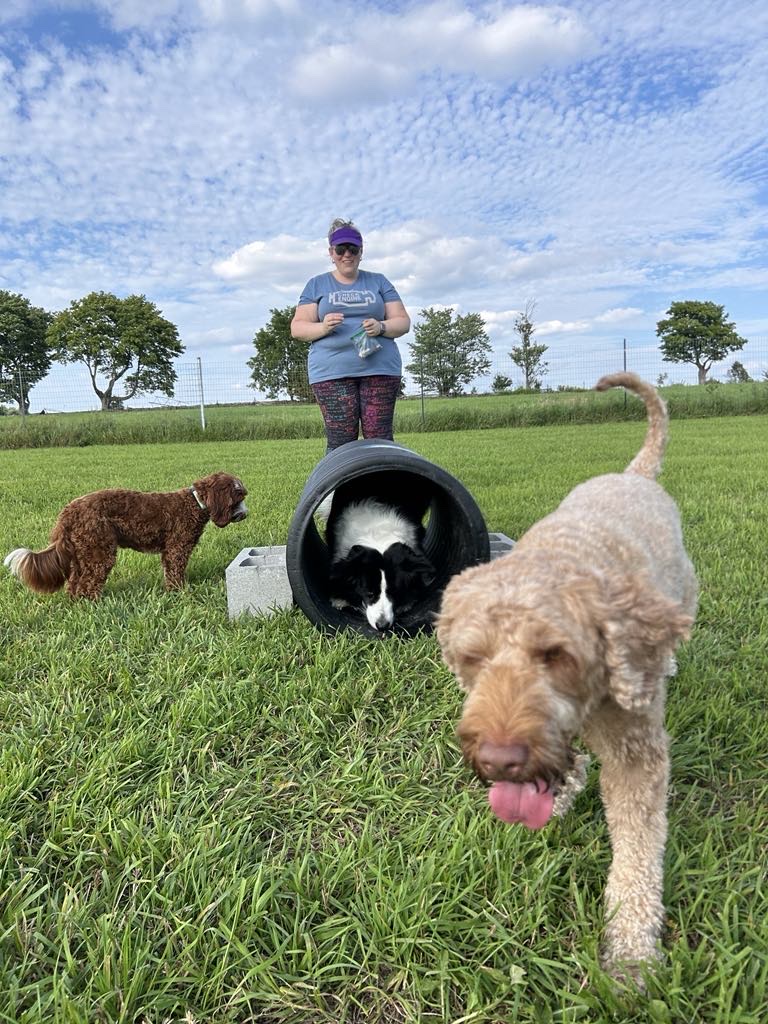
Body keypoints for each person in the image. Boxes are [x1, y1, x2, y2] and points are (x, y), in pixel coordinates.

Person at [291, 218, 411, 451]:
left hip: (381, 369)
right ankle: (338, 488)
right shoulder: (316, 285)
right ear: (331, 252)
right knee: (340, 441)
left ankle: (384, 488)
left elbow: (403, 322)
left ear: (361, 251)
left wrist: (382, 327)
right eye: (341, 249)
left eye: (353, 249)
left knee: (380, 438)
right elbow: (298, 328)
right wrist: (323, 327)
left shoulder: (378, 281)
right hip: (331, 372)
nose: (347, 254)